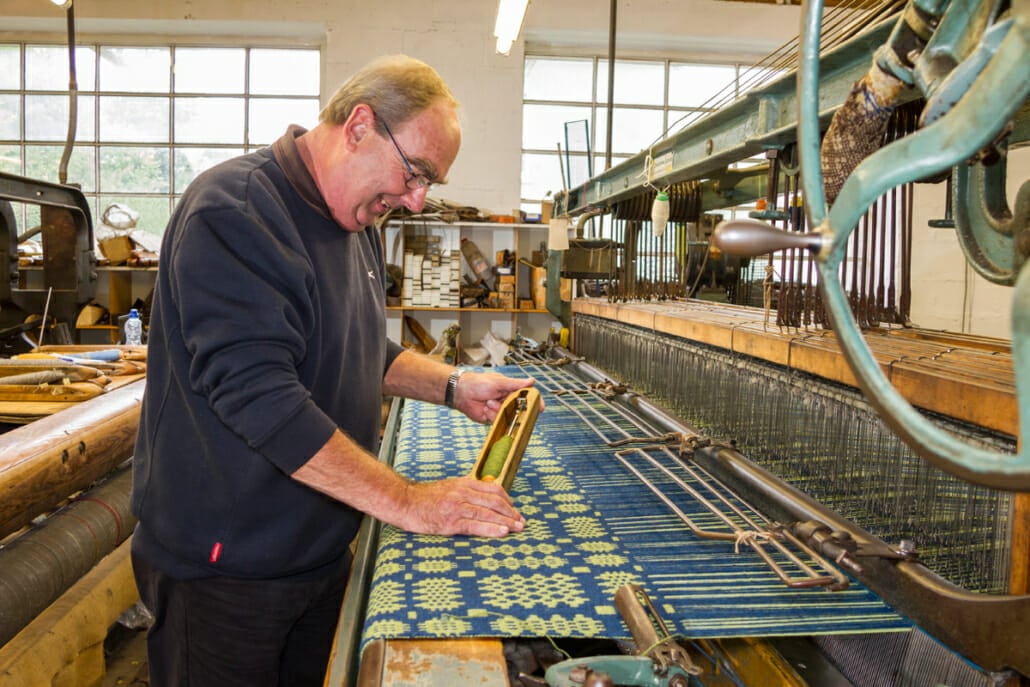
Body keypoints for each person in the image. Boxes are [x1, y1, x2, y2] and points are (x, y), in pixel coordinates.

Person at [129, 54, 533, 687]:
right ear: (359, 126)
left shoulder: (354, 220)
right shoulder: (235, 212)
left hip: (316, 550)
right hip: (227, 569)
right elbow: (261, 397)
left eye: (430, 185)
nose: (416, 199)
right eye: (415, 173)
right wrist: (408, 502)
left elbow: (362, 348)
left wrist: (455, 386)